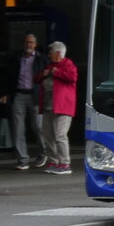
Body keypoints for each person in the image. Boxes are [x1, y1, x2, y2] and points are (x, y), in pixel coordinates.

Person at [0, 32, 49, 170]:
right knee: (18, 128)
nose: (29, 45)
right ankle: (23, 159)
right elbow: (8, 76)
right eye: (27, 42)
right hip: (19, 95)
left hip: (35, 95)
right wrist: (6, 93)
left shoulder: (41, 59)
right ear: (24, 43)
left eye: (31, 42)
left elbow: (47, 78)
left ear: (35, 44)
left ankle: (43, 153)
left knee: (38, 127)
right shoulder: (16, 58)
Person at [39, 41, 78, 175]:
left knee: (60, 135)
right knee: (48, 135)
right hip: (49, 106)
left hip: (63, 107)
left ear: (58, 53)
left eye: (51, 52)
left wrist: (57, 72)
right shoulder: (50, 66)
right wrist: (43, 74)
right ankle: (53, 161)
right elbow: (37, 79)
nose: (49, 55)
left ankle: (65, 163)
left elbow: (73, 77)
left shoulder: (67, 64)